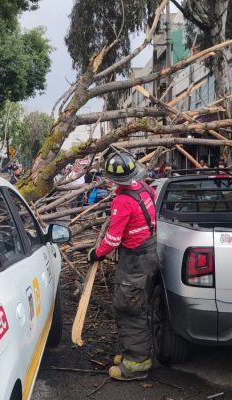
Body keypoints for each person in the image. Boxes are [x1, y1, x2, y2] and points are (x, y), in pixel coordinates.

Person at [86, 146, 158, 381]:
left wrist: (96, 254)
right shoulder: (146, 189)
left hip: (135, 262)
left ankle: (137, 364)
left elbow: (113, 240)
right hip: (150, 254)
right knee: (140, 305)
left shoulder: (122, 201)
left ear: (112, 179)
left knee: (129, 308)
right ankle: (133, 354)